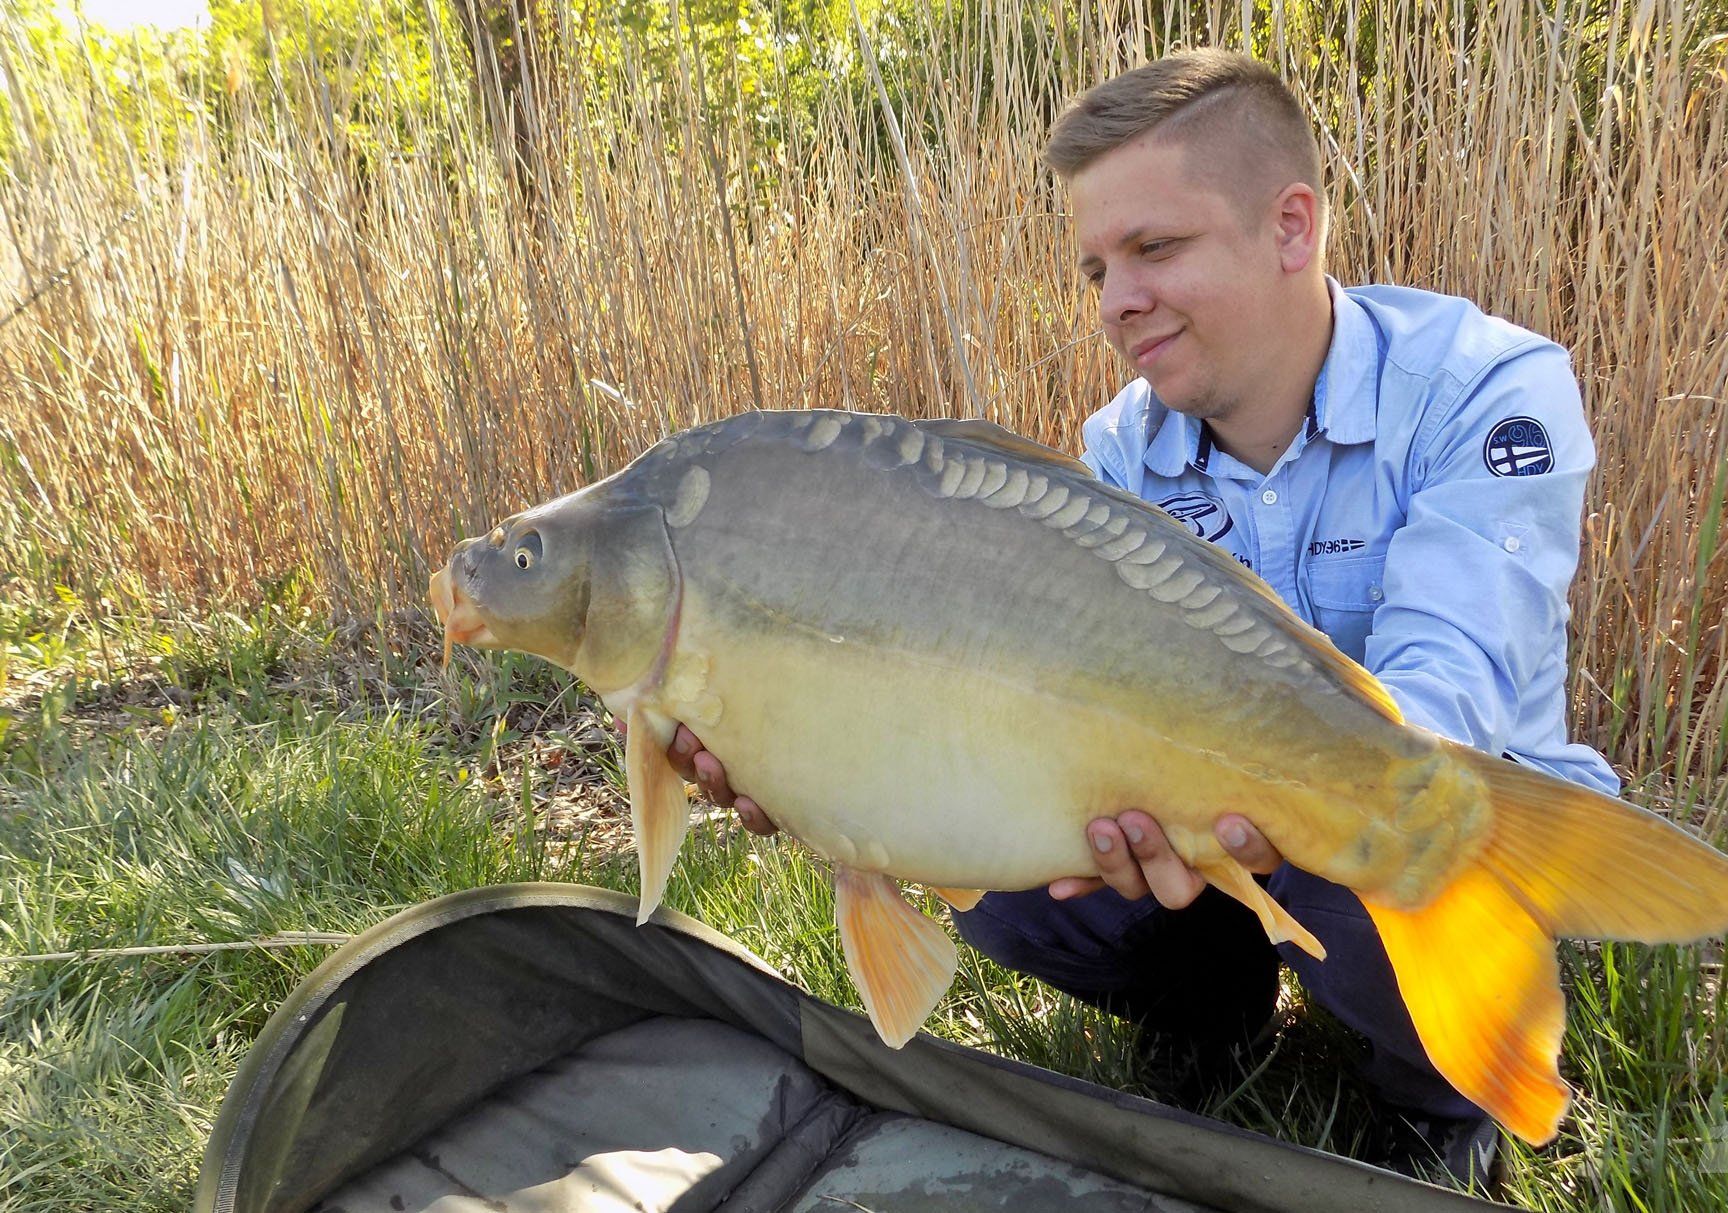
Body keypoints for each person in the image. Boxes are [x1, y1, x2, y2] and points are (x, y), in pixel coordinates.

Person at [659, 48, 1617, 1193]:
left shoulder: (1485, 387)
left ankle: (1434, 1095)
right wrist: (817, 764)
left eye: (1156, 249)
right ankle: (1214, 1019)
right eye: (1096, 268)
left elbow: (1450, 689)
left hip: (1444, 809)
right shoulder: (1119, 451)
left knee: (1360, 809)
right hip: (1207, 836)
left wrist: (1263, 783)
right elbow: (1024, 697)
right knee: (1006, 881)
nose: (1117, 301)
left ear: (1292, 227)